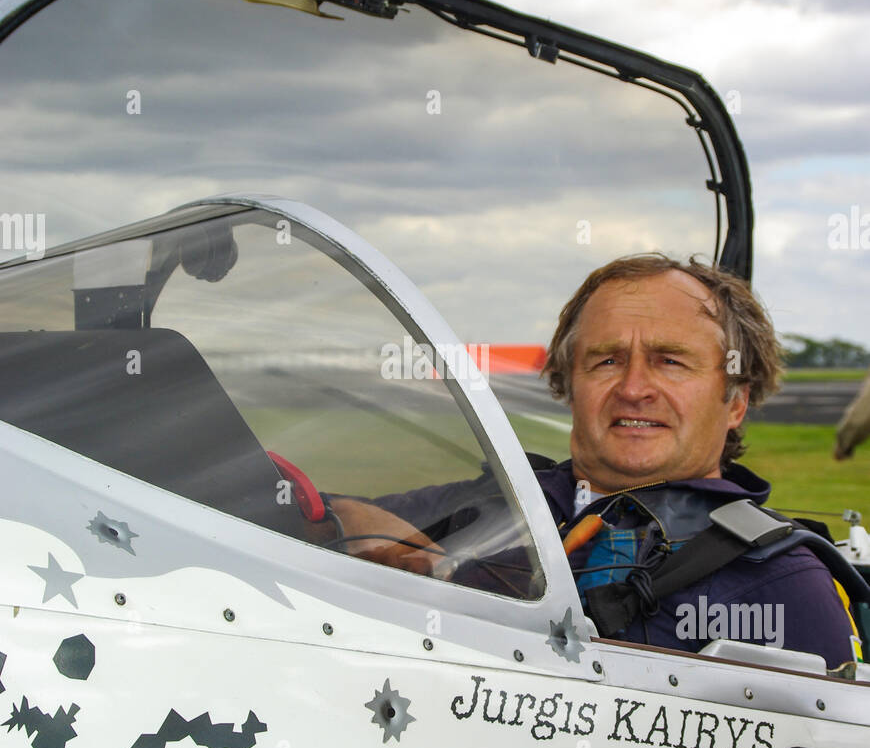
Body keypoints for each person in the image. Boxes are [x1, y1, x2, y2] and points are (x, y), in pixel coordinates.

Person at [330, 254, 861, 668]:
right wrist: (343, 520)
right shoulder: (489, 502)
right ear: (568, 385)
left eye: (670, 362)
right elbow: (283, 516)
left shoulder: (781, 584)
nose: (633, 389)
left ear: (736, 402)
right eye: (606, 360)